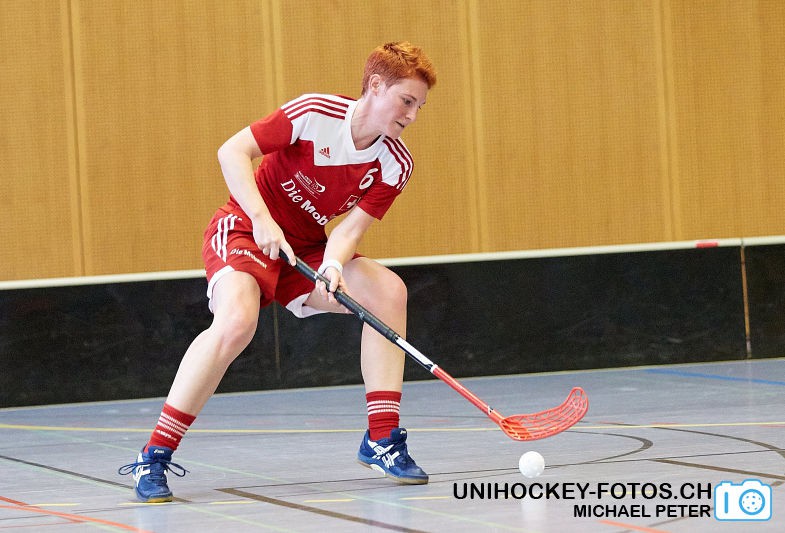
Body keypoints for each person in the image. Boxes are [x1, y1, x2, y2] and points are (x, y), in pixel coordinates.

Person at [118, 41, 437, 502]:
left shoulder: (395, 163)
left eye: (419, 106)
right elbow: (232, 151)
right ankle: (155, 454)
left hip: (304, 250)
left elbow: (349, 231)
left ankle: (382, 438)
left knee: (388, 293)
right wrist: (263, 218)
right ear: (375, 86)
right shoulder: (314, 113)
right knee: (237, 323)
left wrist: (330, 265)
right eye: (406, 101)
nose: (411, 115)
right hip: (246, 229)